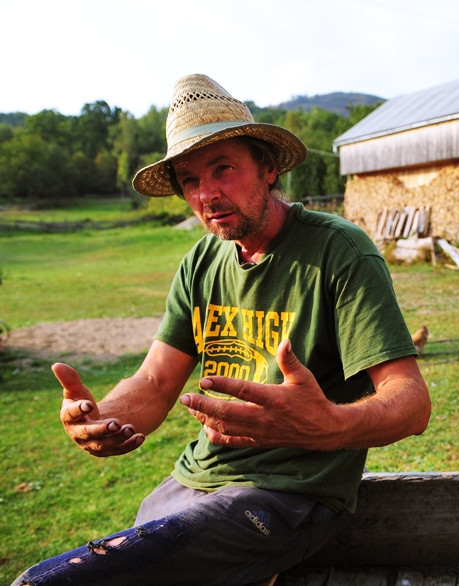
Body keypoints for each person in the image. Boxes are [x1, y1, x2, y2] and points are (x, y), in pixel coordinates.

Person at [13, 74, 431, 586]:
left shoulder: (339, 252)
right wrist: (99, 418)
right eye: (189, 180)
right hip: (192, 482)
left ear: (269, 167)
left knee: (46, 581)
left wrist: (328, 426)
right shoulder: (202, 261)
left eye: (223, 168)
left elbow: (411, 401)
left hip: (286, 496)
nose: (207, 193)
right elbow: (155, 382)